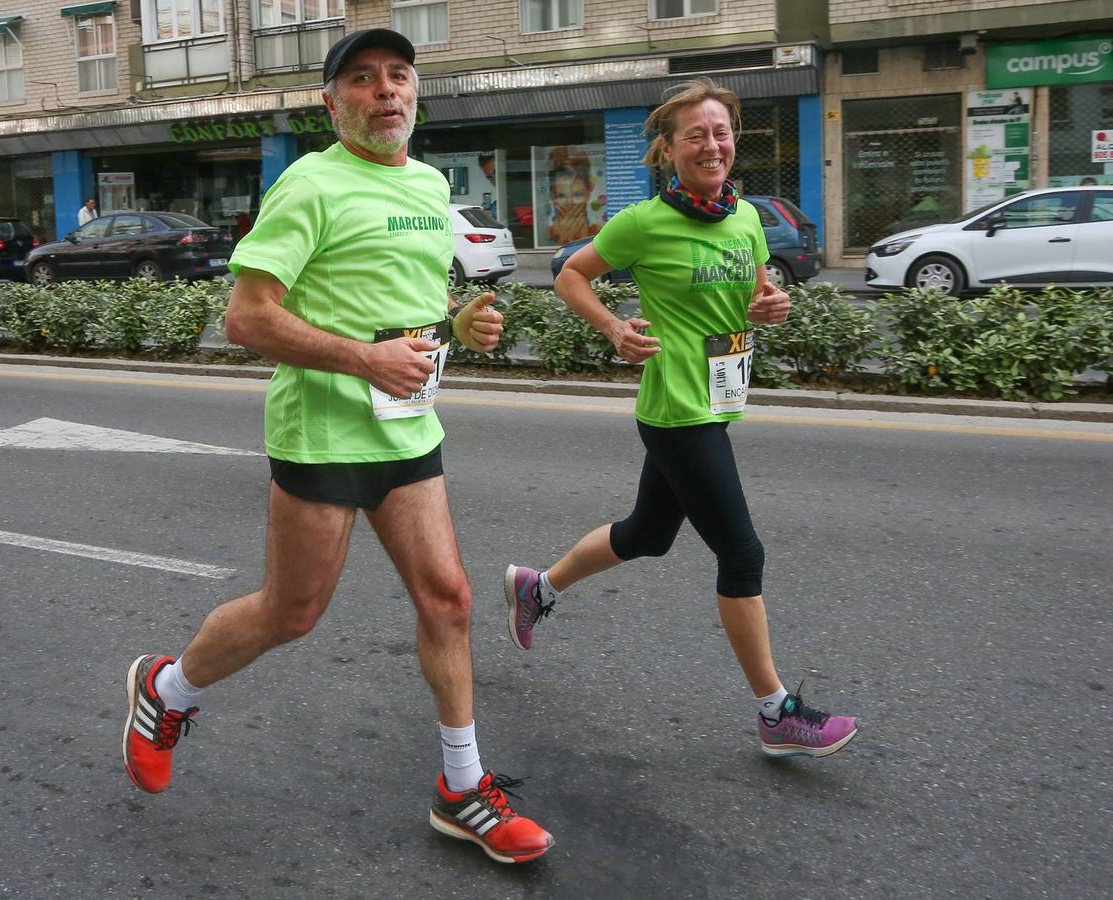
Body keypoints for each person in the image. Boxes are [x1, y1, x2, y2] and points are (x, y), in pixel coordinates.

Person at [120, 28, 555, 865]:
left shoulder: (430, 186)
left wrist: (459, 326)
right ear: (331, 103)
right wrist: (363, 358)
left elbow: (408, 314)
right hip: (322, 431)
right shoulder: (309, 183)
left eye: (398, 76)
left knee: (450, 599)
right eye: (361, 79)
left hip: (405, 425)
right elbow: (245, 318)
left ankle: (461, 789)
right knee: (293, 613)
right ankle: (163, 690)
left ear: (416, 94)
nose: (385, 90)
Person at [505, 77, 860, 761]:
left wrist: (770, 304)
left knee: (646, 535)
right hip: (674, 410)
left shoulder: (746, 218)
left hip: (719, 399)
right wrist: (613, 328)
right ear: (668, 149)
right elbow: (569, 276)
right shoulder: (642, 222)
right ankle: (774, 712)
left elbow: (761, 290)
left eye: (720, 131)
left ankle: (537, 586)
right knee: (741, 553)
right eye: (695, 134)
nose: (711, 144)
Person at [546, 146, 599, 245]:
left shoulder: (600, 233)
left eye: (577, 195)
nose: (570, 203)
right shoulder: (545, 235)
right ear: (553, 198)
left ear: (588, 192)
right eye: (561, 196)